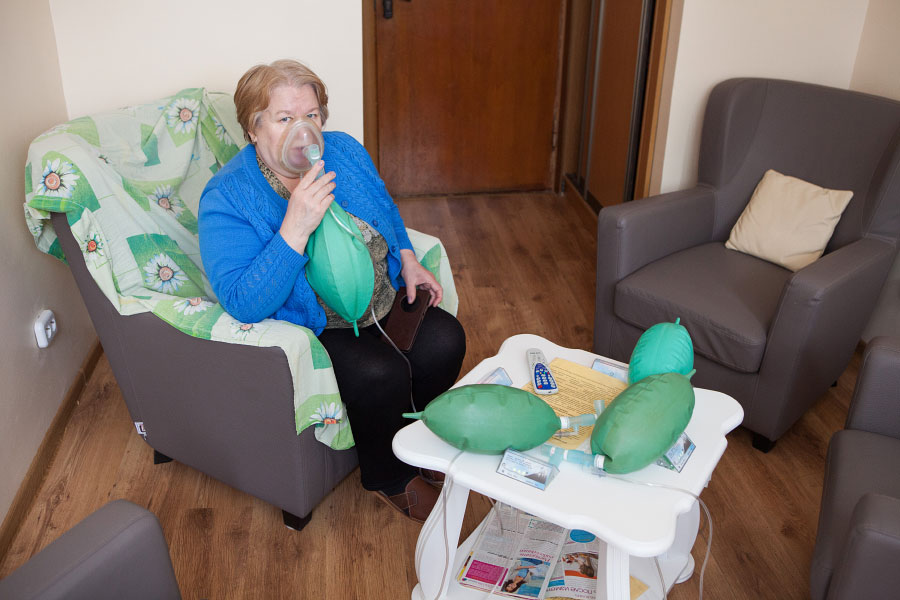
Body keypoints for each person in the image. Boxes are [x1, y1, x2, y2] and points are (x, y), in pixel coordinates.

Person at [198, 59, 466, 523]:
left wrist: (407, 258)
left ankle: (417, 438)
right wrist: (294, 229)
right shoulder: (227, 196)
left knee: (446, 340)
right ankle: (388, 476)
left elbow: (383, 205)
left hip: (379, 297)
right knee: (379, 373)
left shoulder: (343, 150)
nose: (303, 131)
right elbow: (242, 301)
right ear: (253, 129)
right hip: (317, 323)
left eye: (311, 115)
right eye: (284, 118)